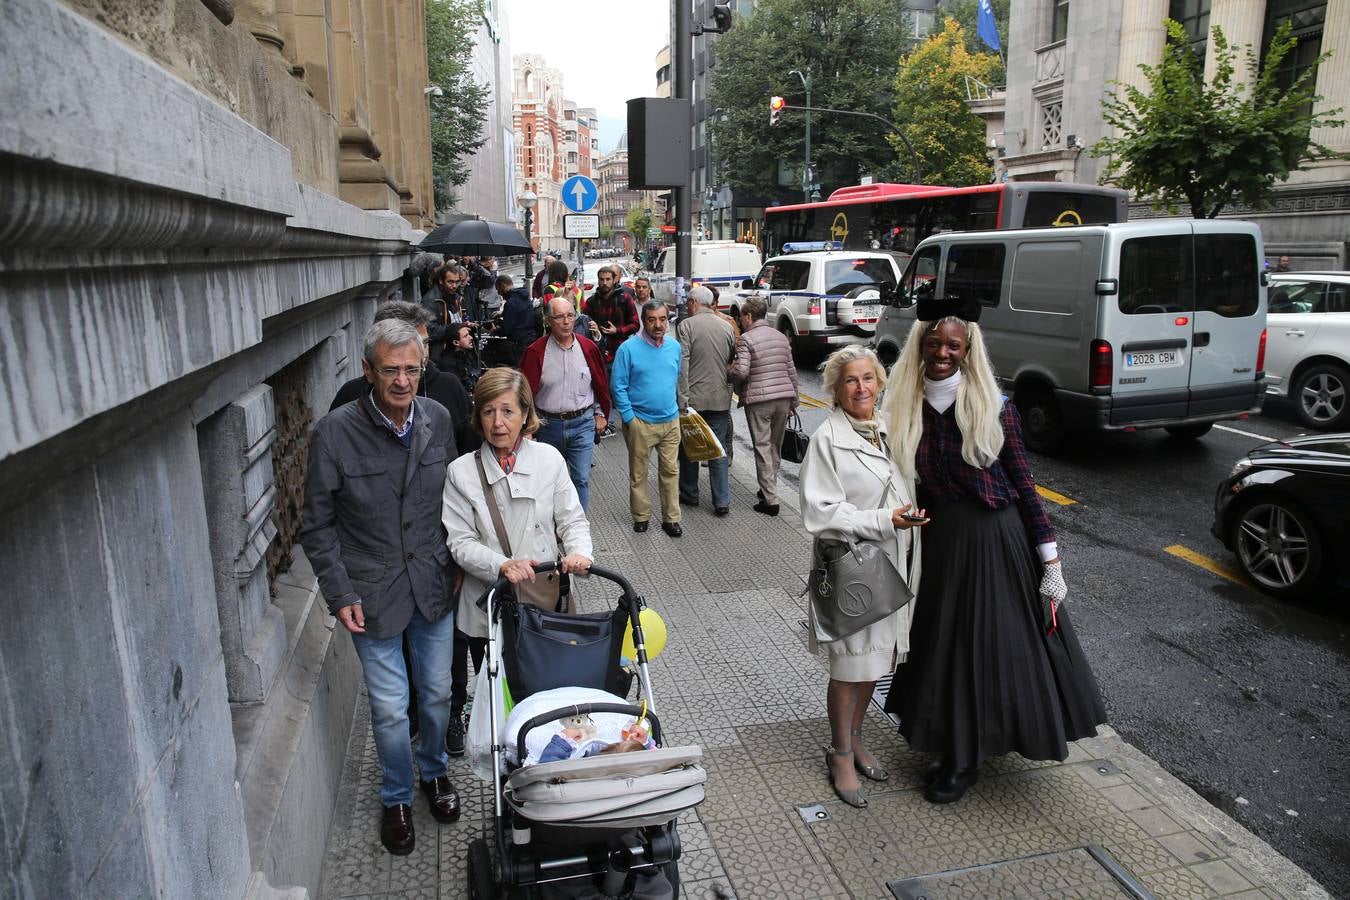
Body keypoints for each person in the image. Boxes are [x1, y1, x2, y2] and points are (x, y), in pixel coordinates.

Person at [879, 298, 1106, 805]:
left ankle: (965, 757)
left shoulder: (993, 406)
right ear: (920, 346)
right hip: (939, 543)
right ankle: (952, 741)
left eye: (952, 345)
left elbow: (1026, 487)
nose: (941, 352)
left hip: (993, 541)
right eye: (933, 343)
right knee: (942, 648)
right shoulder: (905, 406)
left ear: (967, 350)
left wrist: (1050, 561)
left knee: (982, 649)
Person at [300, 319, 460, 856]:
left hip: (433, 586)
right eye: (390, 370)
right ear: (368, 371)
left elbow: (457, 502)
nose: (402, 381)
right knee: (391, 707)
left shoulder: (437, 418)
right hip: (370, 595)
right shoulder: (334, 432)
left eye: (411, 369)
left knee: (437, 695)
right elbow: (317, 525)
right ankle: (395, 796)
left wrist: (460, 560)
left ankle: (434, 771)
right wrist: (340, 593)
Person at [800, 345, 925, 808]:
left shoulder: (890, 428)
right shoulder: (826, 440)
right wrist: (885, 521)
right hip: (853, 567)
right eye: (851, 380)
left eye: (868, 378)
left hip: (895, 559)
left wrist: (909, 515)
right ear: (834, 389)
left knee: (877, 661)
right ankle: (840, 754)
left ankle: (856, 739)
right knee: (851, 666)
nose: (861, 388)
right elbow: (818, 512)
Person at [442, 368, 594, 680]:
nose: (498, 422)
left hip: (545, 600)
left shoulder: (548, 459)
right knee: (499, 696)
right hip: (491, 605)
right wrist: (503, 565)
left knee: (550, 684)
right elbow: (460, 542)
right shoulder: (460, 472)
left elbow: (571, 519)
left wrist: (580, 553)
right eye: (489, 411)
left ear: (525, 414)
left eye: (508, 411)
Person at [331, 301, 473, 459]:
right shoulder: (350, 397)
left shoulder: (449, 388)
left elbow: (469, 458)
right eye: (408, 344)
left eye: (425, 343)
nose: (422, 354)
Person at [520, 296, 612, 510]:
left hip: (582, 423)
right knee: (550, 480)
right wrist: (527, 428)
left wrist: (600, 413)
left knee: (580, 478)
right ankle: (554, 525)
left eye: (570, 316)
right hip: (547, 425)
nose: (566, 321)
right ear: (548, 320)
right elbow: (524, 394)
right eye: (559, 317)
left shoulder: (588, 348)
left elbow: (599, 384)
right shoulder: (535, 352)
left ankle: (578, 529)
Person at [611, 300, 683, 537]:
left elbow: (676, 379)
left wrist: (679, 410)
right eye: (652, 320)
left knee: (671, 472)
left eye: (662, 319)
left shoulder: (674, 347)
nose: (658, 325)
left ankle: (671, 518)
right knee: (639, 473)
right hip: (640, 421)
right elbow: (618, 386)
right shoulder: (628, 349)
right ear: (644, 320)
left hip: (671, 421)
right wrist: (630, 419)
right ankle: (641, 516)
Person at [729, 295, 799, 516]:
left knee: (761, 446)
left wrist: (727, 372)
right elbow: (791, 372)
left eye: (741, 317)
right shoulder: (780, 337)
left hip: (759, 401)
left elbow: (741, 372)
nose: (741, 321)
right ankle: (769, 488)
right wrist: (794, 400)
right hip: (783, 398)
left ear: (748, 316)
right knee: (774, 447)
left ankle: (770, 501)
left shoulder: (746, 339)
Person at [676, 285, 736, 516]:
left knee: (690, 447)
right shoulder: (726, 327)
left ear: (693, 302)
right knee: (717, 449)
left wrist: (682, 399)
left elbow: (684, 365)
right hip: (720, 398)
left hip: (693, 400)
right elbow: (730, 360)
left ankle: (690, 494)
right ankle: (721, 500)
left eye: (687, 303)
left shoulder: (686, 326)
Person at [585, 266, 640, 368]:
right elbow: (585, 328)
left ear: (614, 280)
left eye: (608, 279)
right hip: (598, 353)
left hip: (621, 352)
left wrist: (617, 331)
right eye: (601, 279)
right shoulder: (591, 302)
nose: (604, 283)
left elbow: (635, 324)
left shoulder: (625, 298)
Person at [498, 274, 539, 365]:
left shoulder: (510, 302)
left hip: (519, 342)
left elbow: (508, 329)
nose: (499, 293)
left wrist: (496, 330)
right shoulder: (524, 297)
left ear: (502, 285)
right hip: (531, 338)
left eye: (498, 289)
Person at [441, 322, 484, 396]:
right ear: (456, 342)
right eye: (466, 336)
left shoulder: (465, 355)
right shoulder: (447, 365)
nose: (471, 338)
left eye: (469, 334)